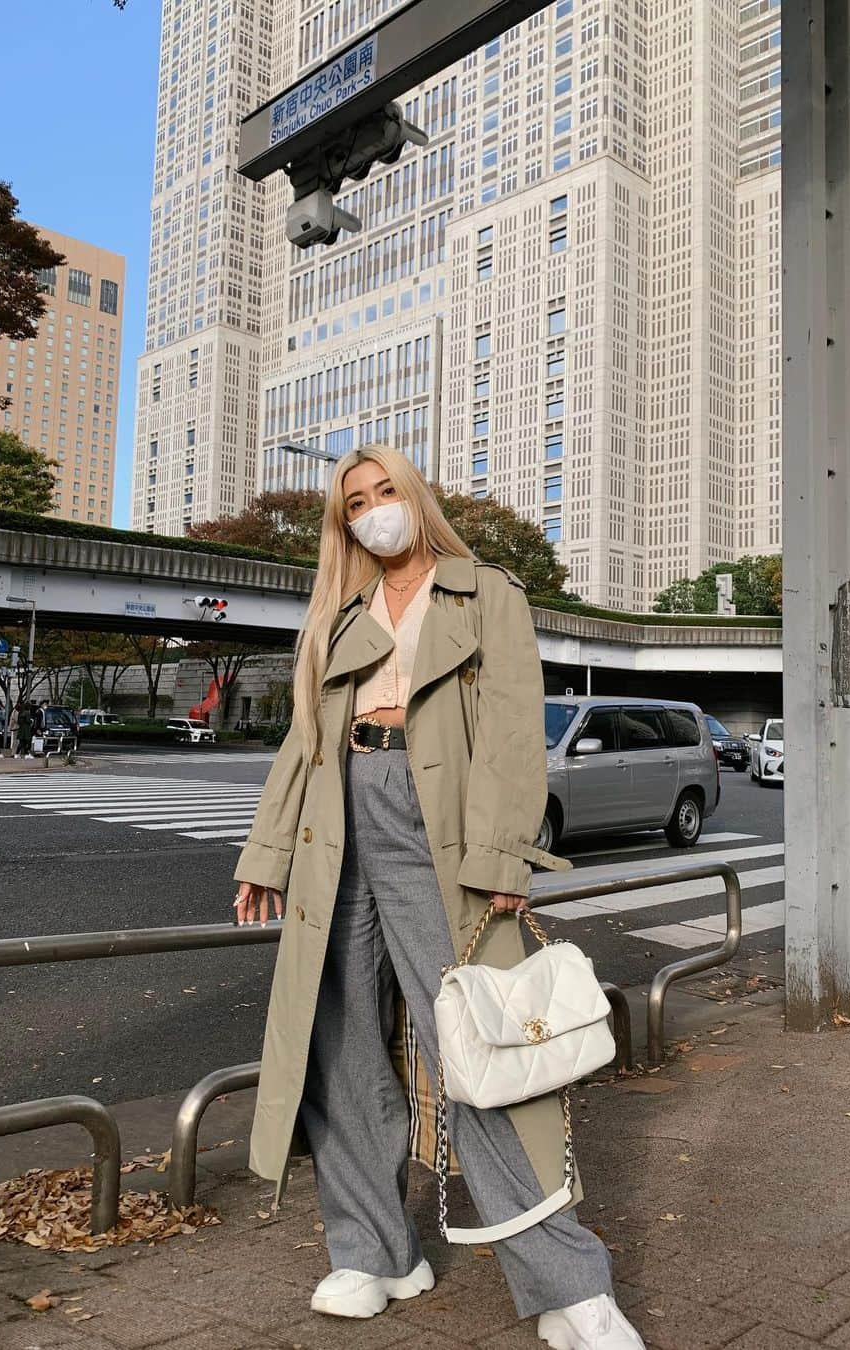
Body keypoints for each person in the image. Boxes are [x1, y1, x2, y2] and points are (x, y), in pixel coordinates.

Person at [233, 445, 643, 1350]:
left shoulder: (482, 591)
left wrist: (502, 852)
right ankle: (374, 1251)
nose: (374, 510)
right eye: (355, 504)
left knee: (475, 1045)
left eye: (386, 492)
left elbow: (510, 731)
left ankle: (569, 1284)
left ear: (416, 498)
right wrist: (265, 853)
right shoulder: (338, 614)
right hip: (337, 820)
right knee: (336, 1047)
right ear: (343, 525)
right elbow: (306, 743)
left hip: (439, 828)